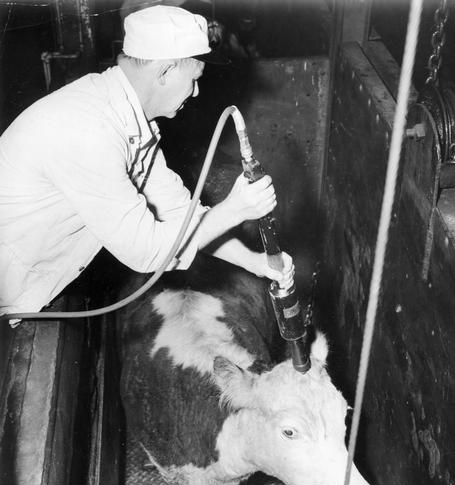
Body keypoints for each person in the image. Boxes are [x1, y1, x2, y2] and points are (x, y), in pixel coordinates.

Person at [0, 5, 293, 319]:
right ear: (165, 72)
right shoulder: (90, 131)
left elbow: (181, 213)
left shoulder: (127, 119)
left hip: (32, 283)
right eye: (194, 79)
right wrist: (235, 209)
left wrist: (254, 261)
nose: (195, 93)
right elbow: (149, 252)